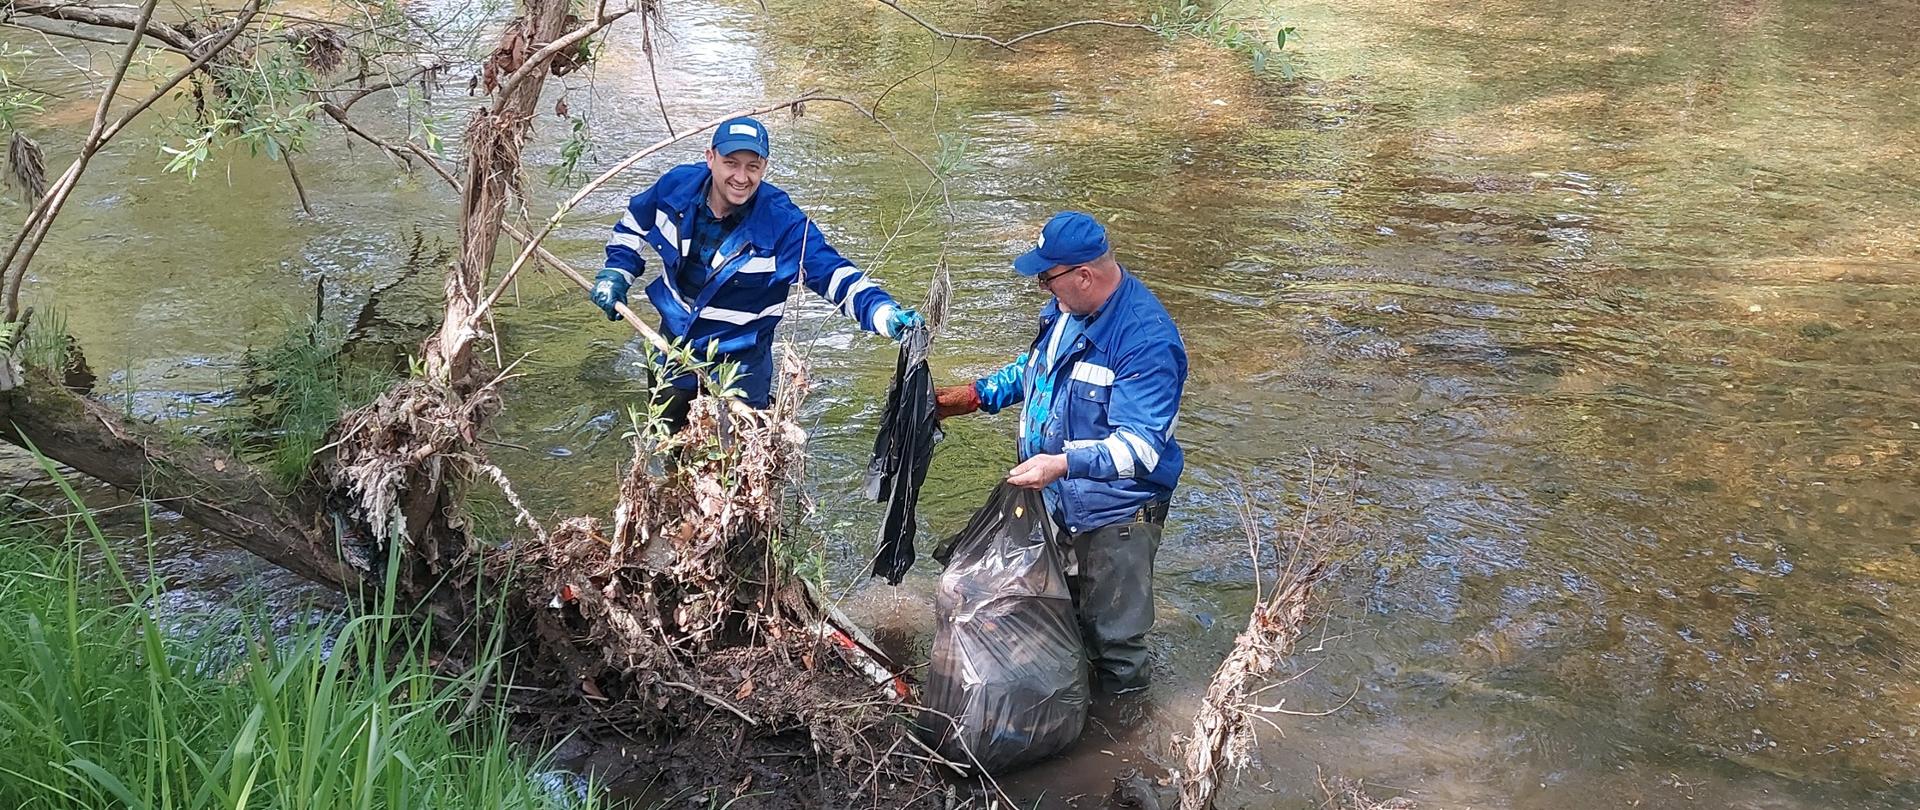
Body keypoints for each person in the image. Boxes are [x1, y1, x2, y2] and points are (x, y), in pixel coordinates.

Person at [934, 211, 1187, 694]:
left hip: (1116, 517)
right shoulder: (1067, 311)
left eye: (1047, 278)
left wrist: (1062, 464)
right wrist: (971, 397)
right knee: (1060, 613)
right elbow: (1036, 371)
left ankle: (1124, 721)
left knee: (1115, 642)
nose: (1043, 289)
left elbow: (1140, 448)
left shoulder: (1146, 342)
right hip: (1059, 501)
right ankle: (1071, 707)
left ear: (1083, 275)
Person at [588, 116, 922, 429]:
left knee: (738, 461)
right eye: (731, 163)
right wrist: (616, 272)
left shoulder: (783, 224)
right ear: (710, 158)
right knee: (665, 441)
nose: (741, 177)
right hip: (670, 347)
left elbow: (834, 275)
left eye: (753, 166)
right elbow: (633, 224)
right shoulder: (676, 188)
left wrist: (884, 314)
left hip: (741, 366)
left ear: (764, 167)